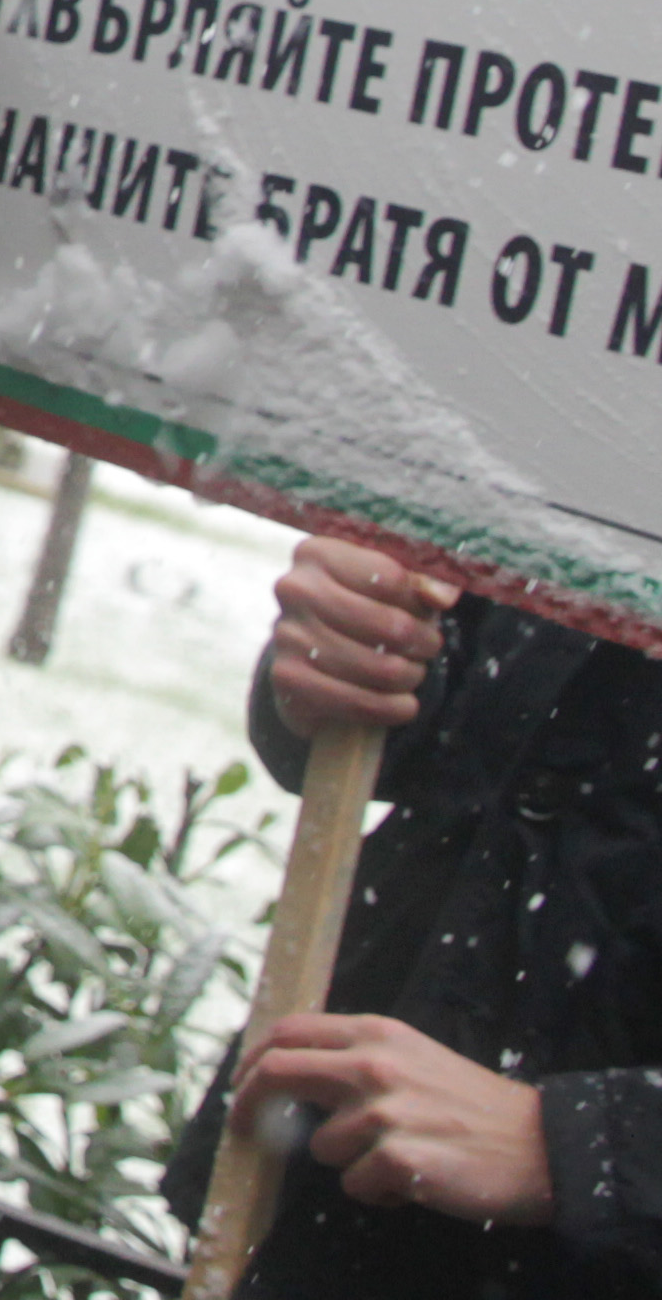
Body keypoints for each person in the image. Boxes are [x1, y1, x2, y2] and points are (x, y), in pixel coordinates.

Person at [157, 531, 662, 1288]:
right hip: (317, 1214)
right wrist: (354, 649)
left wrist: (584, 1147)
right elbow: (467, 722)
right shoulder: (606, 435)